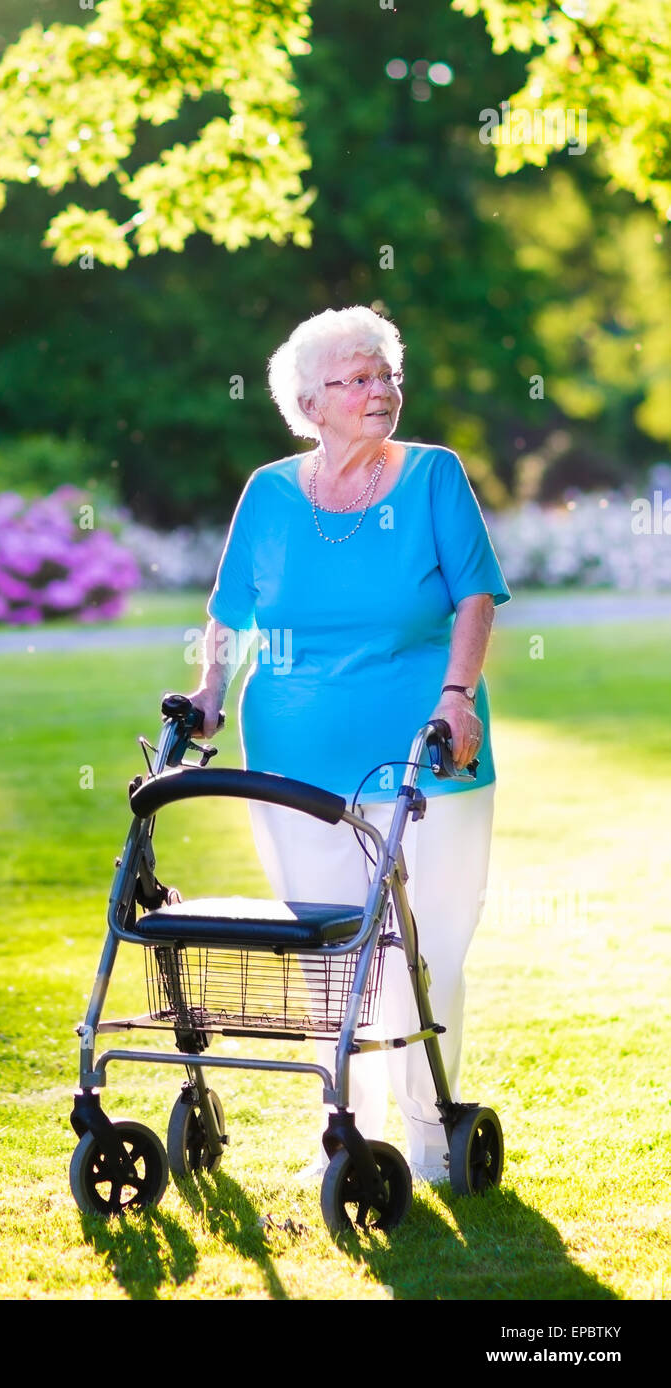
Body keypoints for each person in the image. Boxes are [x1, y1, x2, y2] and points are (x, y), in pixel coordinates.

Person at [184, 305, 511, 1185]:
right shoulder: (271, 493)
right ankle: (347, 1130)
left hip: (425, 751)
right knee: (333, 950)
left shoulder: (433, 476)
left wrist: (458, 695)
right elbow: (229, 614)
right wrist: (210, 693)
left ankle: (429, 1126)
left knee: (428, 942)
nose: (380, 391)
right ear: (310, 402)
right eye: (357, 379)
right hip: (295, 761)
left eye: (386, 375)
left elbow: (475, 598)